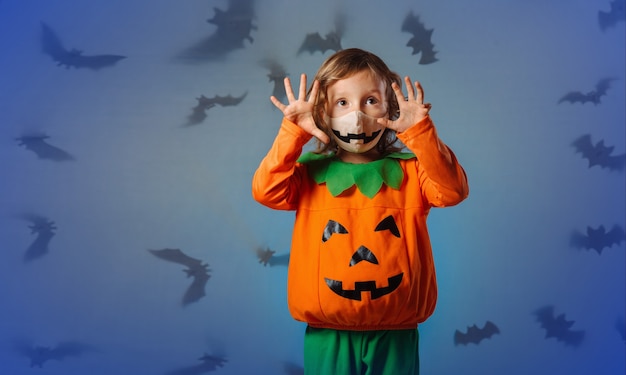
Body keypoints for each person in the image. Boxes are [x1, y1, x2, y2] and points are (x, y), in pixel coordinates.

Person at [251, 48, 469, 375]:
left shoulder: (413, 173)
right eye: (342, 102)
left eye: (371, 100)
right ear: (323, 111)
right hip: (327, 332)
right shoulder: (307, 173)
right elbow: (266, 191)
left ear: (390, 107)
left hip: (396, 332)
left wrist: (420, 133)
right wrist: (293, 133)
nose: (357, 115)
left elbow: (453, 190)